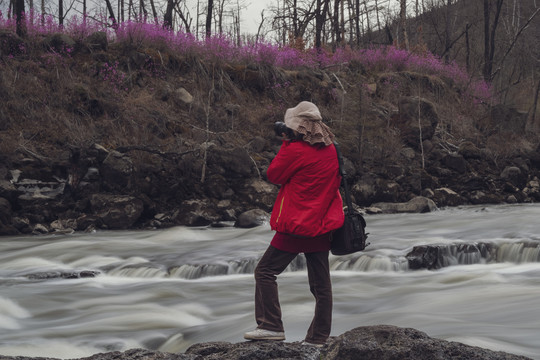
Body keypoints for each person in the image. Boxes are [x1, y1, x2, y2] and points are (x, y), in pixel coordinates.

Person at [244, 101, 344, 347]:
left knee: (265, 272)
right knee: (321, 285)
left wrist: (288, 143)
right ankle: (318, 338)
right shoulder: (332, 149)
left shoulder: (295, 150)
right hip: (322, 224)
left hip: (297, 224)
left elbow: (274, 175)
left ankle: (270, 326)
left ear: (298, 128)